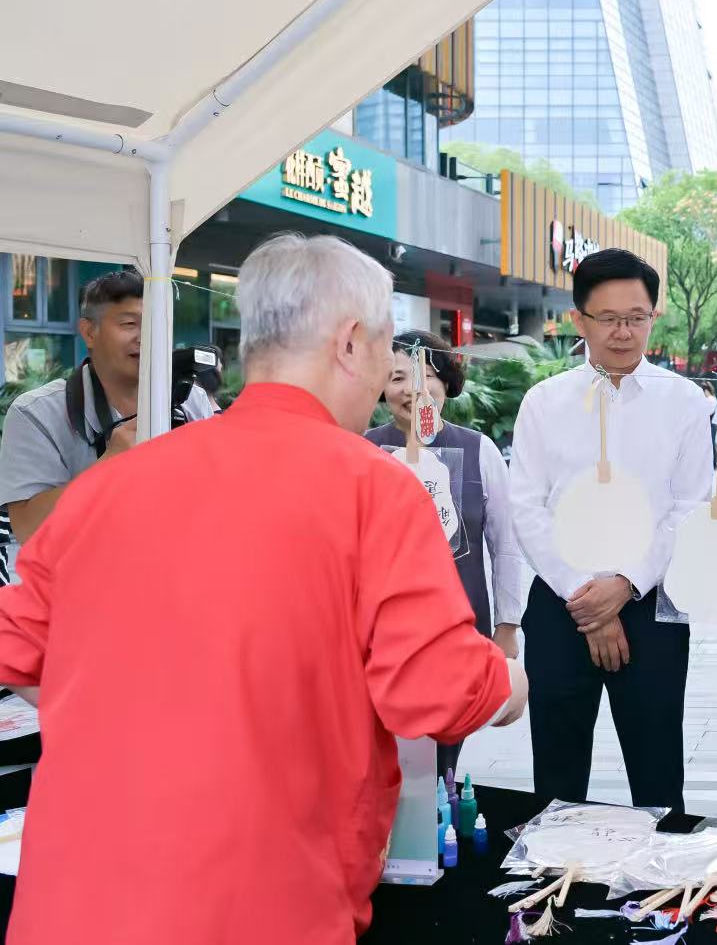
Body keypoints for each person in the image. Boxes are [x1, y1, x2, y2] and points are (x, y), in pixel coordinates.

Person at [0, 233, 528, 944]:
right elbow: (439, 689)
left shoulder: (107, 487)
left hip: (72, 900)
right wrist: (509, 681)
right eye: (385, 349)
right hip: (258, 901)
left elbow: (19, 647)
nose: (387, 373)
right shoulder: (372, 487)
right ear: (351, 343)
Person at [509, 248, 712, 812]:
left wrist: (625, 584)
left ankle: (662, 869)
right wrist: (586, 598)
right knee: (556, 776)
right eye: (609, 318)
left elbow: (690, 506)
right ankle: (553, 868)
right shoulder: (544, 402)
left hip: (651, 605)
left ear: (653, 316)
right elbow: (526, 507)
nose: (624, 332)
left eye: (636, 317)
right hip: (560, 604)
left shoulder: (685, 402)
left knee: (658, 776)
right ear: (579, 320)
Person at [366, 330, 529, 778]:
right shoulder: (364, 448)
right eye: (398, 377)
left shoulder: (479, 450)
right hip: (380, 633)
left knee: (443, 753)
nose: (413, 389)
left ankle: (441, 810)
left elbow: (505, 545)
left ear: (446, 383)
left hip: (459, 627)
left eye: (427, 375)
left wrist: (507, 626)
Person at [0, 270, 214, 546]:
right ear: (89, 332)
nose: (146, 337)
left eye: (157, 323)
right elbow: (29, 530)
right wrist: (108, 466)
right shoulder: (36, 414)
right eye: (130, 323)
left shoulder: (190, 400)